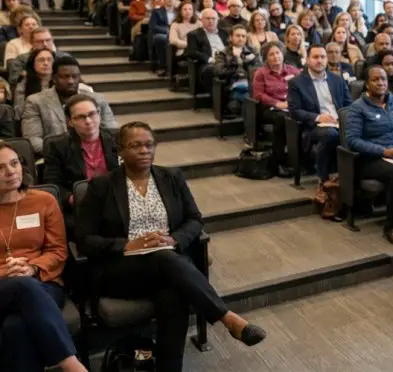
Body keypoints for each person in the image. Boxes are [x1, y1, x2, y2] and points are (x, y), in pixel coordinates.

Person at [78, 123, 266, 372]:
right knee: (166, 261)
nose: (144, 150)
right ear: (120, 150)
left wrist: (174, 240)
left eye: (149, 144)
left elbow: (195, 219)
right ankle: (226, 317)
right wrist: (127, 244)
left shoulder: (172, 177)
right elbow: (85, 239)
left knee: (173, 294)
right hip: (120, 268)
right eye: (136, 145)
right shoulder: (102, 186)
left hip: (169, 265)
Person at [0, 141, 88, 372]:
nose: (11, 172)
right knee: (20, 284)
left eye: (14, 163)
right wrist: (6, 272)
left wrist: (33, 268)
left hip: (43, 282)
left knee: (15, 327)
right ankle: (72, 365)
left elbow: (58, 251)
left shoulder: (43, 201)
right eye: (0, 168)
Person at [344, 65, 393, 246]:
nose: (381, 83)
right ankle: (390, 225)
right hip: (371, 159)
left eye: (383, 79)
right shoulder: (357, 108)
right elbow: (352, 141)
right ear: (367, 84)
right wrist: (383, 151)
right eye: (375, 80)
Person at [23, 56, 116, 154]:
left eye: (75, 76)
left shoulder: (97, 99)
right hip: (57, 158)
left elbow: (111, 132)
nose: (71, 81)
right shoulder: (35, 102)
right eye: (65, 77)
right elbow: (33, 140)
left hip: (95, 154)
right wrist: (66, 154)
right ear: (54, 78)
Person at [287, 44, 352, 184]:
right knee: (331, 134)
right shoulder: (296, 83)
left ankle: (349, 177)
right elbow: (294, 111)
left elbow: (349, 105)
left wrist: (343, 118)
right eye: (315, 57)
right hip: (314, 126)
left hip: (338, 121)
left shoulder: (337, 80)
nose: (319, 60)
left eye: (322, 57)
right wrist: (318, 117)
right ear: (308, 60)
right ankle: (324, 178)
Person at [42, 94, 119, 205]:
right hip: (80, 203)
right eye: (80, 117)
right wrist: (72, 198)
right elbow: (53, 184)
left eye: (92, 114)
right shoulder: (57, 146)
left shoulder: (117, 139)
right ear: (70, 122)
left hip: (114, 199)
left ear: (99, 114)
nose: (88, 121)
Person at [252, 43, 300, 177]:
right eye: (271, 54)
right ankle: (278, 161)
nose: (275, 57)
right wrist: (277, 103)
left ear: (282, 54)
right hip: (270, 108)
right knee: (282, 119)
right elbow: (259, 95)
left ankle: (301, 159)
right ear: (266, 57)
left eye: (277, 53)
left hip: (292, 106)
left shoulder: (293, 71)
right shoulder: (261, 73)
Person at [214, 25, 262, 113]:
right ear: (230, 37)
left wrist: (244, 61)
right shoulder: (222, 54)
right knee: (251, 100)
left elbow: (260, 70)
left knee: (254, 99)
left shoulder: (253, 51)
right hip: (233, 88)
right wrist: (235, 60)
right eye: (238, 36)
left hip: (253, 86)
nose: (241, 39)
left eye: (243, 36)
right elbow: (219, 72)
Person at [186, 9, 227, 95]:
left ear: (217, 20)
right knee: (212, 70)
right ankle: (217, 100)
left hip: (227, 61)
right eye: (207, 18)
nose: (211, 21)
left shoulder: (225, 33)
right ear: (201, 20)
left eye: (213, 18)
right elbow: (192, 52)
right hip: (208, 64)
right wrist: (210, 59)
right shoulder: (194, 35)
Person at [14, 48, 55, 115]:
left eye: (49, 60)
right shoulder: (24, 81)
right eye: (41, 60)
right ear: (33, 63)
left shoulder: (60, 80)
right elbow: (19, 110)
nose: (45, 63)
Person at [150, 0, 177, 76]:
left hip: (178, 34)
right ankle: (163, 66)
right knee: (160, 38)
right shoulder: (156, 12)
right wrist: (168, 31)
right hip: (164, 34)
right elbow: (153, 27)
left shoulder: (180, 11)